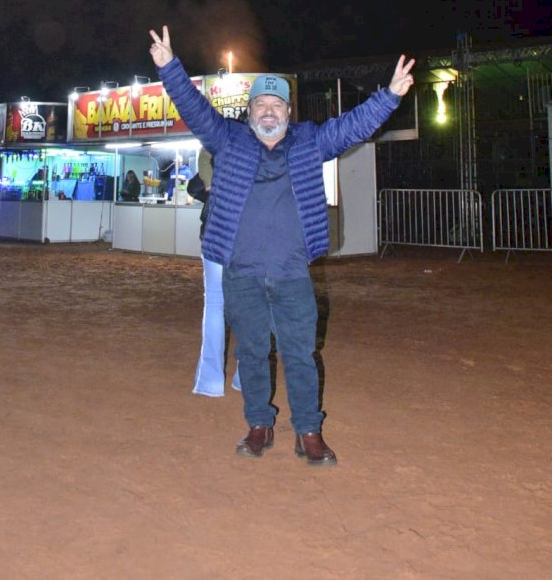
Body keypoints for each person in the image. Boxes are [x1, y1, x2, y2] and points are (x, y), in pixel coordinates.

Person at [150, 24, 415, 466]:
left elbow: (352, 127)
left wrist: (389, 95)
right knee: (252, 352)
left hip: (292, 272)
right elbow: (194, 110)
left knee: (300, 355)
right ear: (249, 111)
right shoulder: (228, 140)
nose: (268, 111)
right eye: (260, 104)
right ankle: (259, 423)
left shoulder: (310, 142)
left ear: (288, 111)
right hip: (242, 271)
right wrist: (169, 68)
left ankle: (308, 431)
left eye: (276, 104)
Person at [188, 162, 241, 398]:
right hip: (249, 234)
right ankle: (246, 377)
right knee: (251, 305)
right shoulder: (261, 145)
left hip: (217, 231)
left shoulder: (220, 139)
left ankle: (210, 381)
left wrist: (210, 179)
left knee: (215, 304)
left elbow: (197, 184)